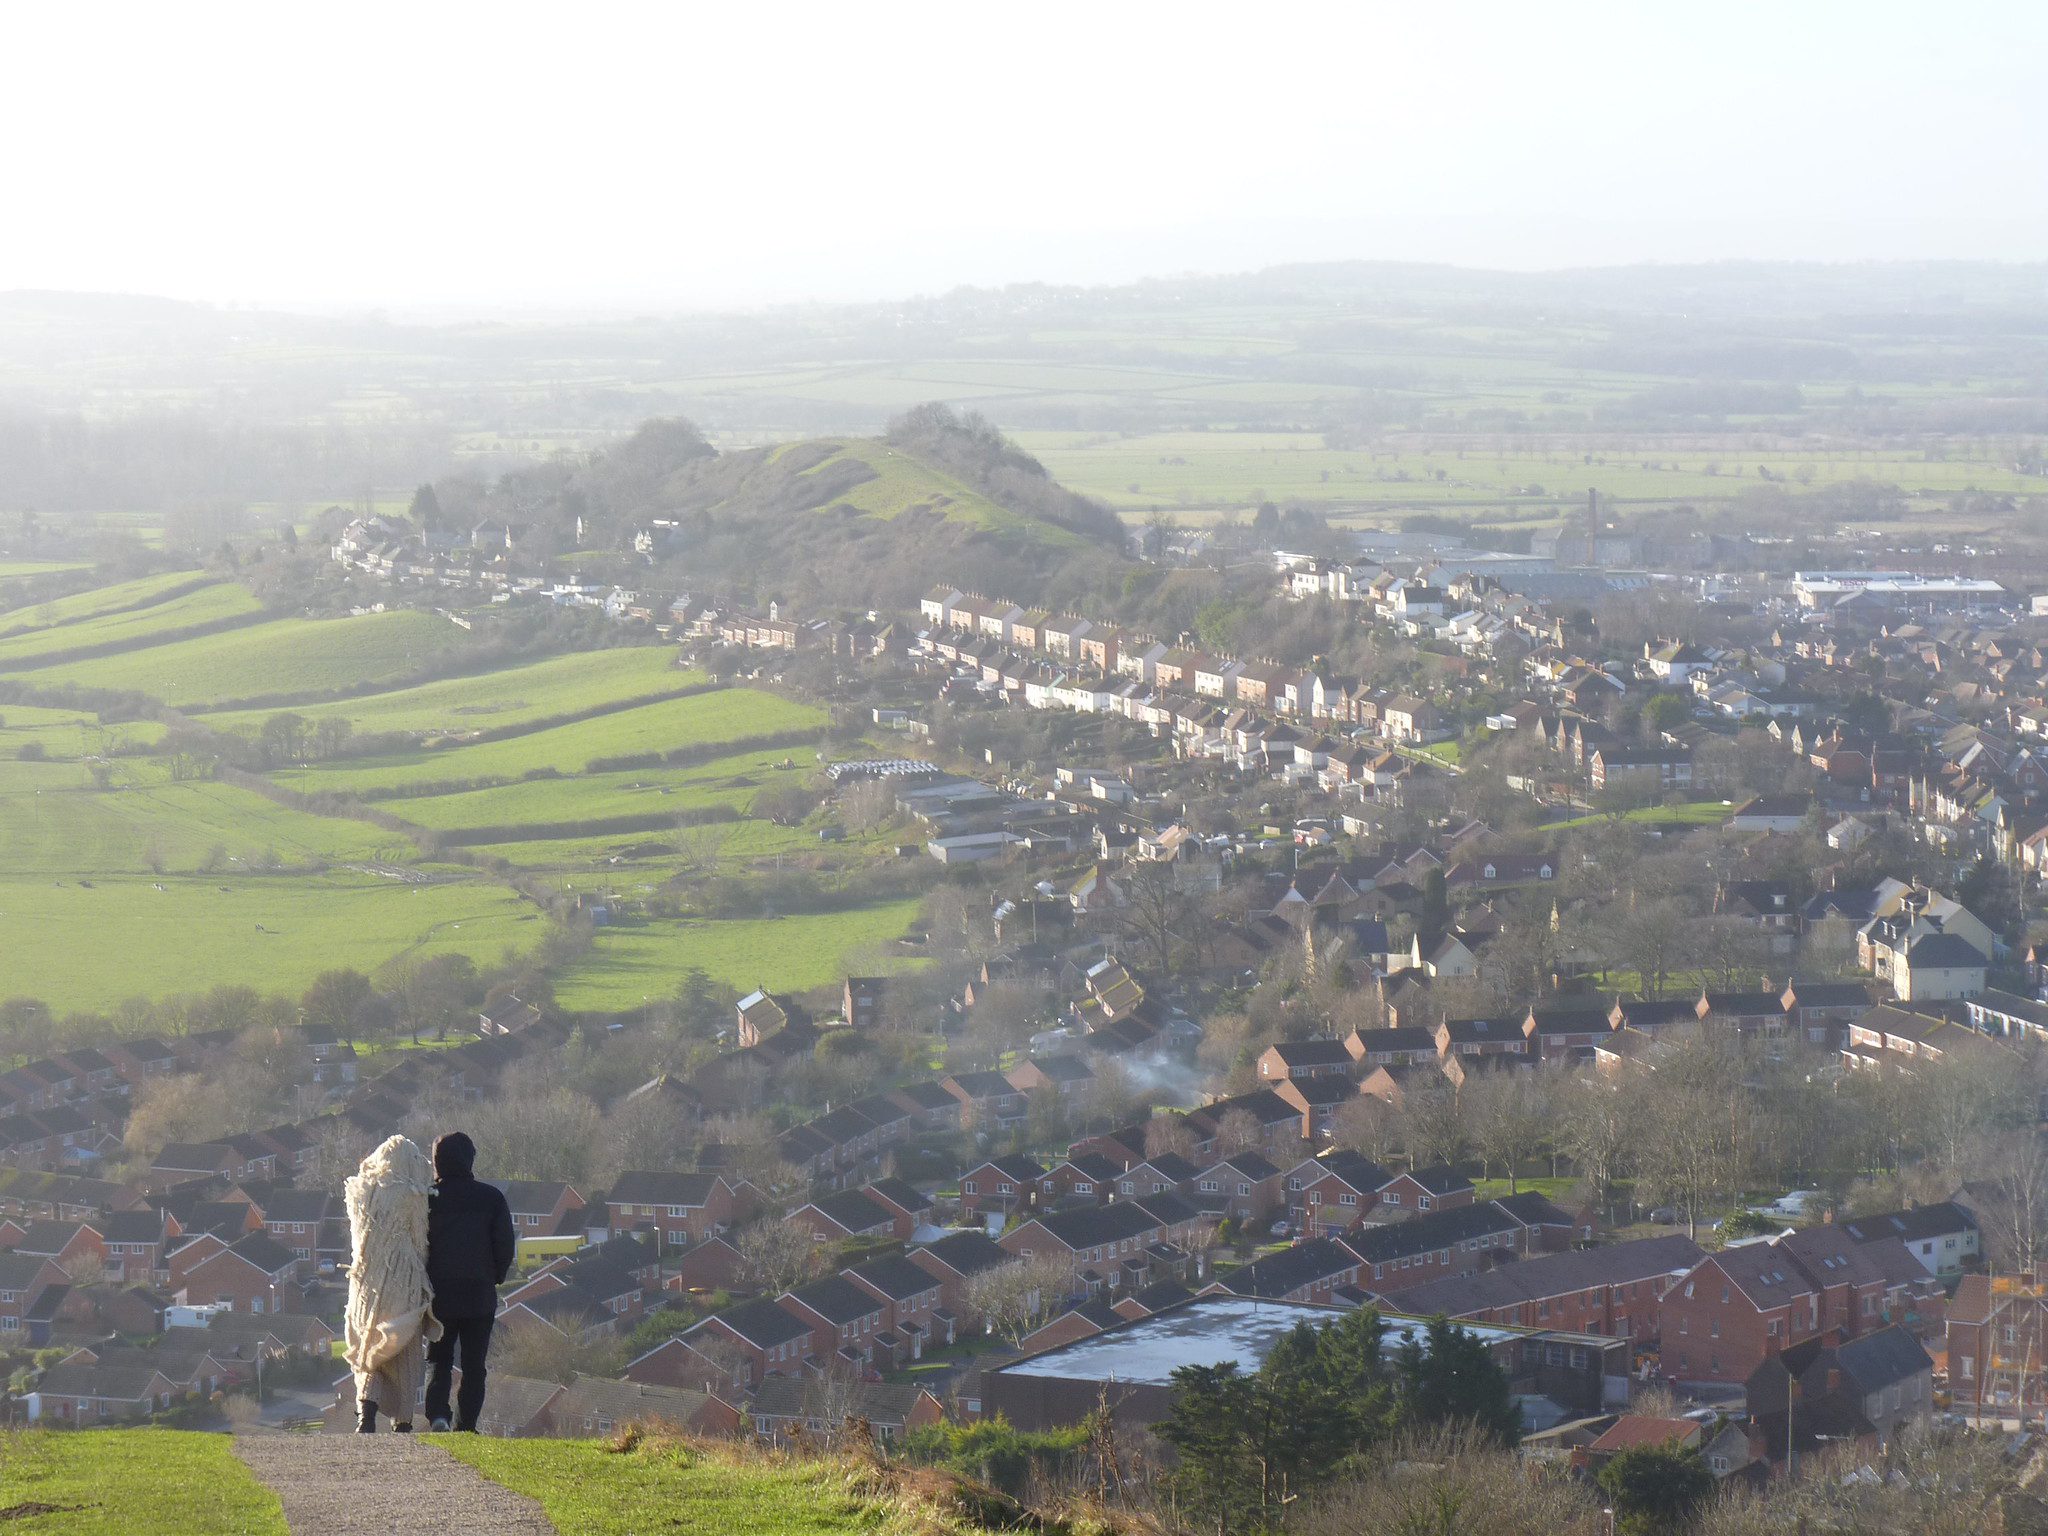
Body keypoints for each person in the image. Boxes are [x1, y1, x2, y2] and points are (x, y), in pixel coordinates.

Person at [343, 1135, 441, 1433]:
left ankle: (366, 1413)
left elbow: (357, 1240)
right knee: (404, 1348)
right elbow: (419, 1238)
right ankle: (402, 1421)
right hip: (402, 1278)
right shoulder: (411, 1193)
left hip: (366, 1281)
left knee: (369, 1351)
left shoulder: (363, 1190)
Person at [422, 1130, 515, 1432]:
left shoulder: (426, 1199)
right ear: (469, 1159)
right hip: (479, 1294)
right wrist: (495, 1277)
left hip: (439, 1294)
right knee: (475, 1366)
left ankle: (438, 1415)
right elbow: (504, 1245)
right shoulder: (491, 1198)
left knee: (439, 1359)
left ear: (436, 1161)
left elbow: (415, 1246)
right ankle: (467, 1425)